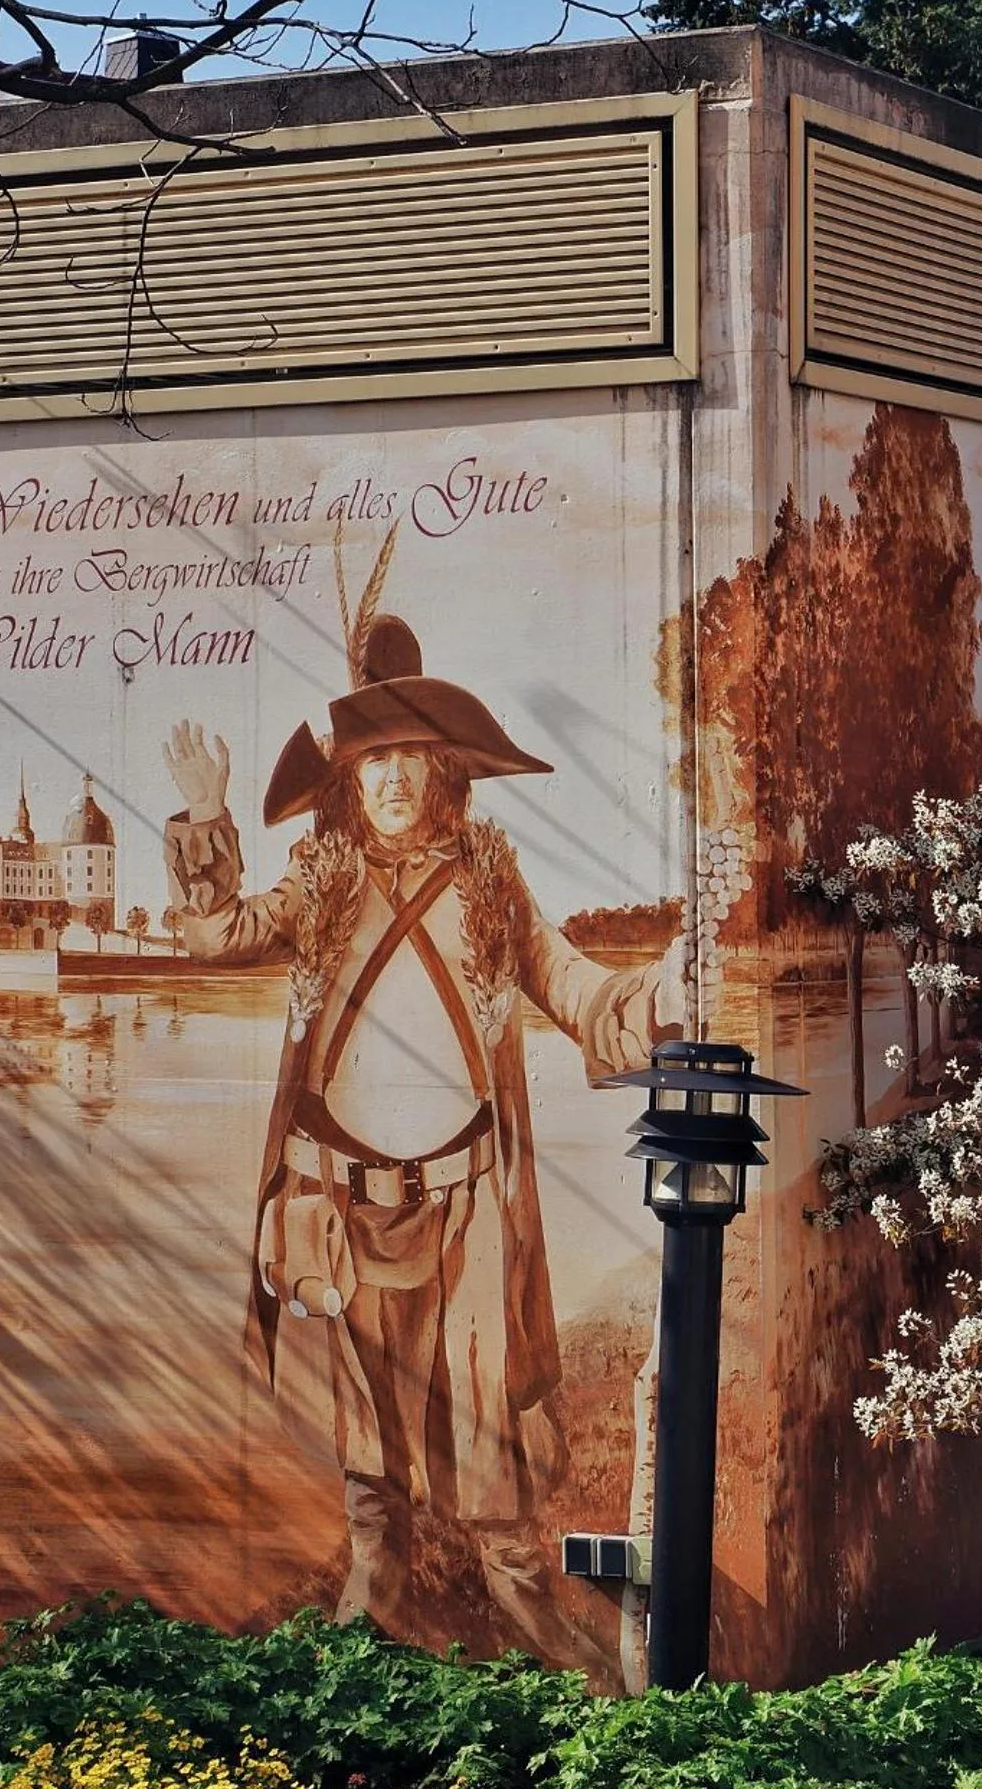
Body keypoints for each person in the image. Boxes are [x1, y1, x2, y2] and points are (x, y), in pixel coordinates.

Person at [162, 597, 677, 1668]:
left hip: (468, 1217)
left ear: (443, 767)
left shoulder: (491, 885)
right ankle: (365, 1671)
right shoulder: (321, 885)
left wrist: (668, 993)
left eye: (409, 754)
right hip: (345, 1219)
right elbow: (217, 934)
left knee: (492, 1476)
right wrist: (206, 817)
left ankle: (556, 1686)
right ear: (345, 780)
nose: (391, 778)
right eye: (370, 758)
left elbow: (580, 994)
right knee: (368, 1482)